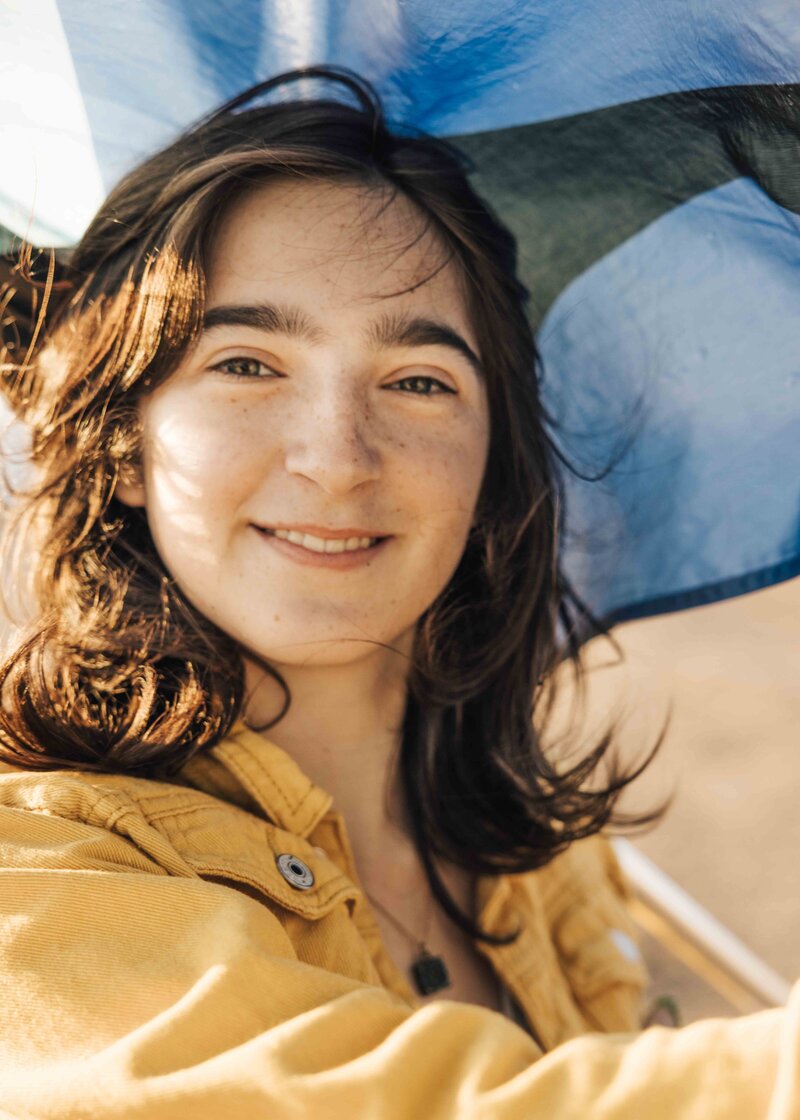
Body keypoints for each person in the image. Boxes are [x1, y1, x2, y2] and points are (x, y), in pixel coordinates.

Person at [0, 67, 794, 1118]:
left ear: (490, 466)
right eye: (246, 364)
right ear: (127, 445)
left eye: (419, 381)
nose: (336, 456)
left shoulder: (538, 864)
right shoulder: (38, 874)